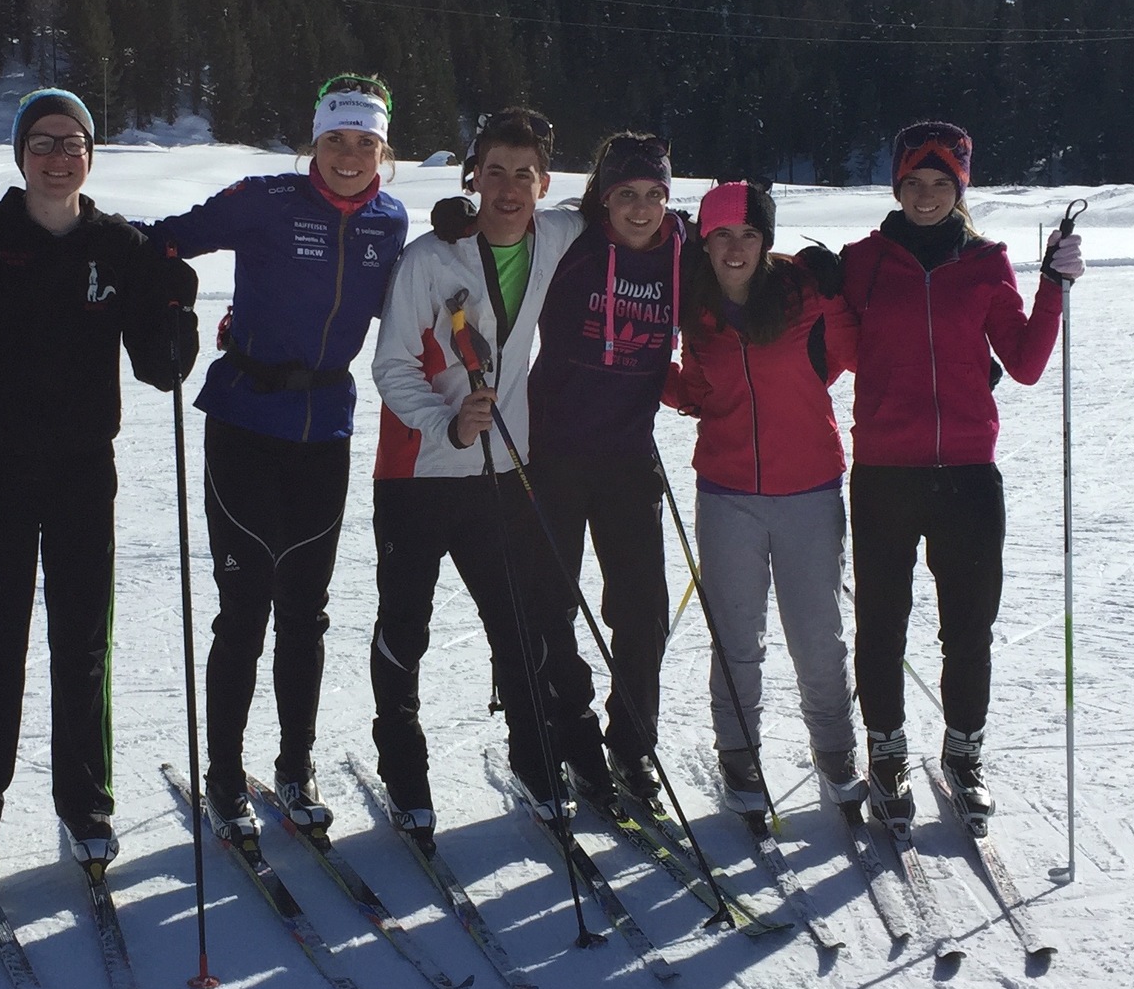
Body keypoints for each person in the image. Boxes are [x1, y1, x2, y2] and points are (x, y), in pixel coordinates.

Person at [0, 87, 198, 873]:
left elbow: (159, 367)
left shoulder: (119, 247)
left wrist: (177, 309)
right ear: (21, 156)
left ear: (90, 156)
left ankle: (85, 804)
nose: (59, 157)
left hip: (81, 471)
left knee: (82, 643)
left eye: (73, 143)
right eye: (43, 143)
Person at [146, 74, 408, 834]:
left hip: (324, 427)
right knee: (243, 610)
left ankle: (295, 767)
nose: (350, 155)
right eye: (336, 140)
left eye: (365, 143)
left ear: (383, 150)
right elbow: (164, 240)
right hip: (245, 421)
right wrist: (168, 304)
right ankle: (224, 776)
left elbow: (420, 297)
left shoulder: (389, 222)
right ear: (314, 143)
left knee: (305, 613)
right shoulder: (264, 200)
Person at [838, 121, 1082, 834]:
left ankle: (963, 752)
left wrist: (1053, 287)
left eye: (941, 182)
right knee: (881, 625)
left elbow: (1028, 362)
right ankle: (885, 752)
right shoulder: (863, 261)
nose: (925, 194)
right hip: (884, 470)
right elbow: (840, 351)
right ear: (895, 185)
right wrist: (821, 291)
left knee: (968, 628)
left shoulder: (986, 264)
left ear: (961, 188)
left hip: (969, 475)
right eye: (913, 182)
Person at [366, 107, 600, 828]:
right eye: (493, 172)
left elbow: (638, 222)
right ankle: (404, 772)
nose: (507, 188)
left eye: (521, 174)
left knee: (518, 619)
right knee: (406, 625)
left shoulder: (559, 235)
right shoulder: (430, 258)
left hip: (504, 468)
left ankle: (535, 758)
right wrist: (448, 421)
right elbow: (391, 365)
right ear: (474, 175)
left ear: (543, 182)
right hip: (417, 471)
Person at [663, 180, 859, 813]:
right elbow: (697, 390)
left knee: (817, 633)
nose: (736, 247)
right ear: (705, 242)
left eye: (749, 234)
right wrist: (644, 378)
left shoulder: (807, 293)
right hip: (727, 494)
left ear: (767, 241)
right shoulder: (697, 310)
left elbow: (860, 349)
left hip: (809, 488)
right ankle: (739, 753)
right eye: (722, 234)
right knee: (736, 635)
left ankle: (835, 748)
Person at [513, 131, 690, 808]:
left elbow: (746, 267)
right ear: (603, 196)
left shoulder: (683, 251)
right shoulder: (570, 241)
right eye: (626, 194)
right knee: (550, 602)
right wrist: (456, 219)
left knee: (643, 610)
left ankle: (631, 748)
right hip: (551, 451)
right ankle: (567, 731)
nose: (641, 208)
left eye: (653, 194)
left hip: (626, 456)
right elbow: (504, 222)